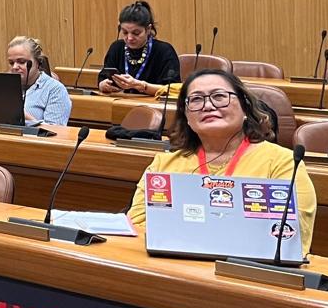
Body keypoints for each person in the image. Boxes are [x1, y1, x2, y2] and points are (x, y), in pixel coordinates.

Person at [127, 69, 316, 252]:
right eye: (196, 99)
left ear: (245, 107)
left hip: (243, 269)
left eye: (219, 96)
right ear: (187, 116)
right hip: (172, 264)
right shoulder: (163, 165)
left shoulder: (283, 163)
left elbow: (290, 237)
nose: (208, 106)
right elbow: (138, 228)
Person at [98, 1, 180, 96]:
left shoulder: (164, 51)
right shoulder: (116, 48)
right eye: (125, 32)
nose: (129, 38)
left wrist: (142, 86)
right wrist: (103, 85)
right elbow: (103, 77)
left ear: (148, 29)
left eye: (136, 33)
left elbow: (172, 89)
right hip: (120, 100)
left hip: (152, 103)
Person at [8, 36, 72, 126]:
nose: (14, 67)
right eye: (11, 63)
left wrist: (23, 115)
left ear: (38, 62)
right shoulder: (4, 86)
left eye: (21, 61)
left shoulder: (55, 90)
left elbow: (56, 131)